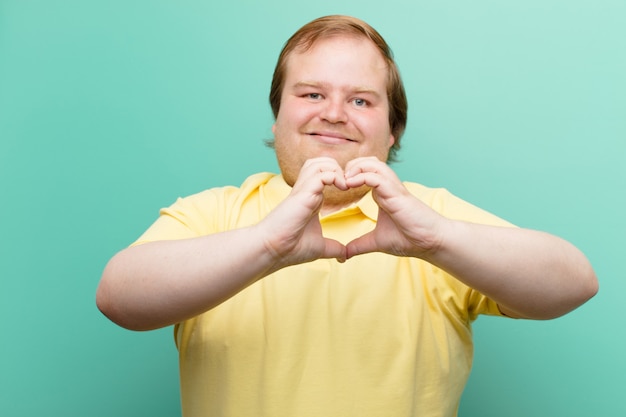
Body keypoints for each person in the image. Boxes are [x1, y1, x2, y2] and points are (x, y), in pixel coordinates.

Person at [96, 15, 598, 417]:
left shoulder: (433, 218)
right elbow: (119, 298)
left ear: (392, 129)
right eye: (312, 94)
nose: (334, 113)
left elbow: (574, 283)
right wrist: (268, 244)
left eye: (360, 99)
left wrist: (437, 240)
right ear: (278, 114)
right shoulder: (214, 213)